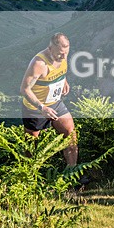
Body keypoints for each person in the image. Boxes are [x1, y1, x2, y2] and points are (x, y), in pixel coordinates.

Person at [20, 33, 79, 168]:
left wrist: (64, 80)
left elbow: (60, 69)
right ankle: (28, 174)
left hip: (55, 103)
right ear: (50, 48)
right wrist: (42, 108)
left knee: (70, 133)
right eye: (60, 54)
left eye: (66, 53)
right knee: (31, 147)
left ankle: (72, 172)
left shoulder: (62, 55)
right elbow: (24, 89)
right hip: (35, 109)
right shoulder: (39, 64)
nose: (63, 57)